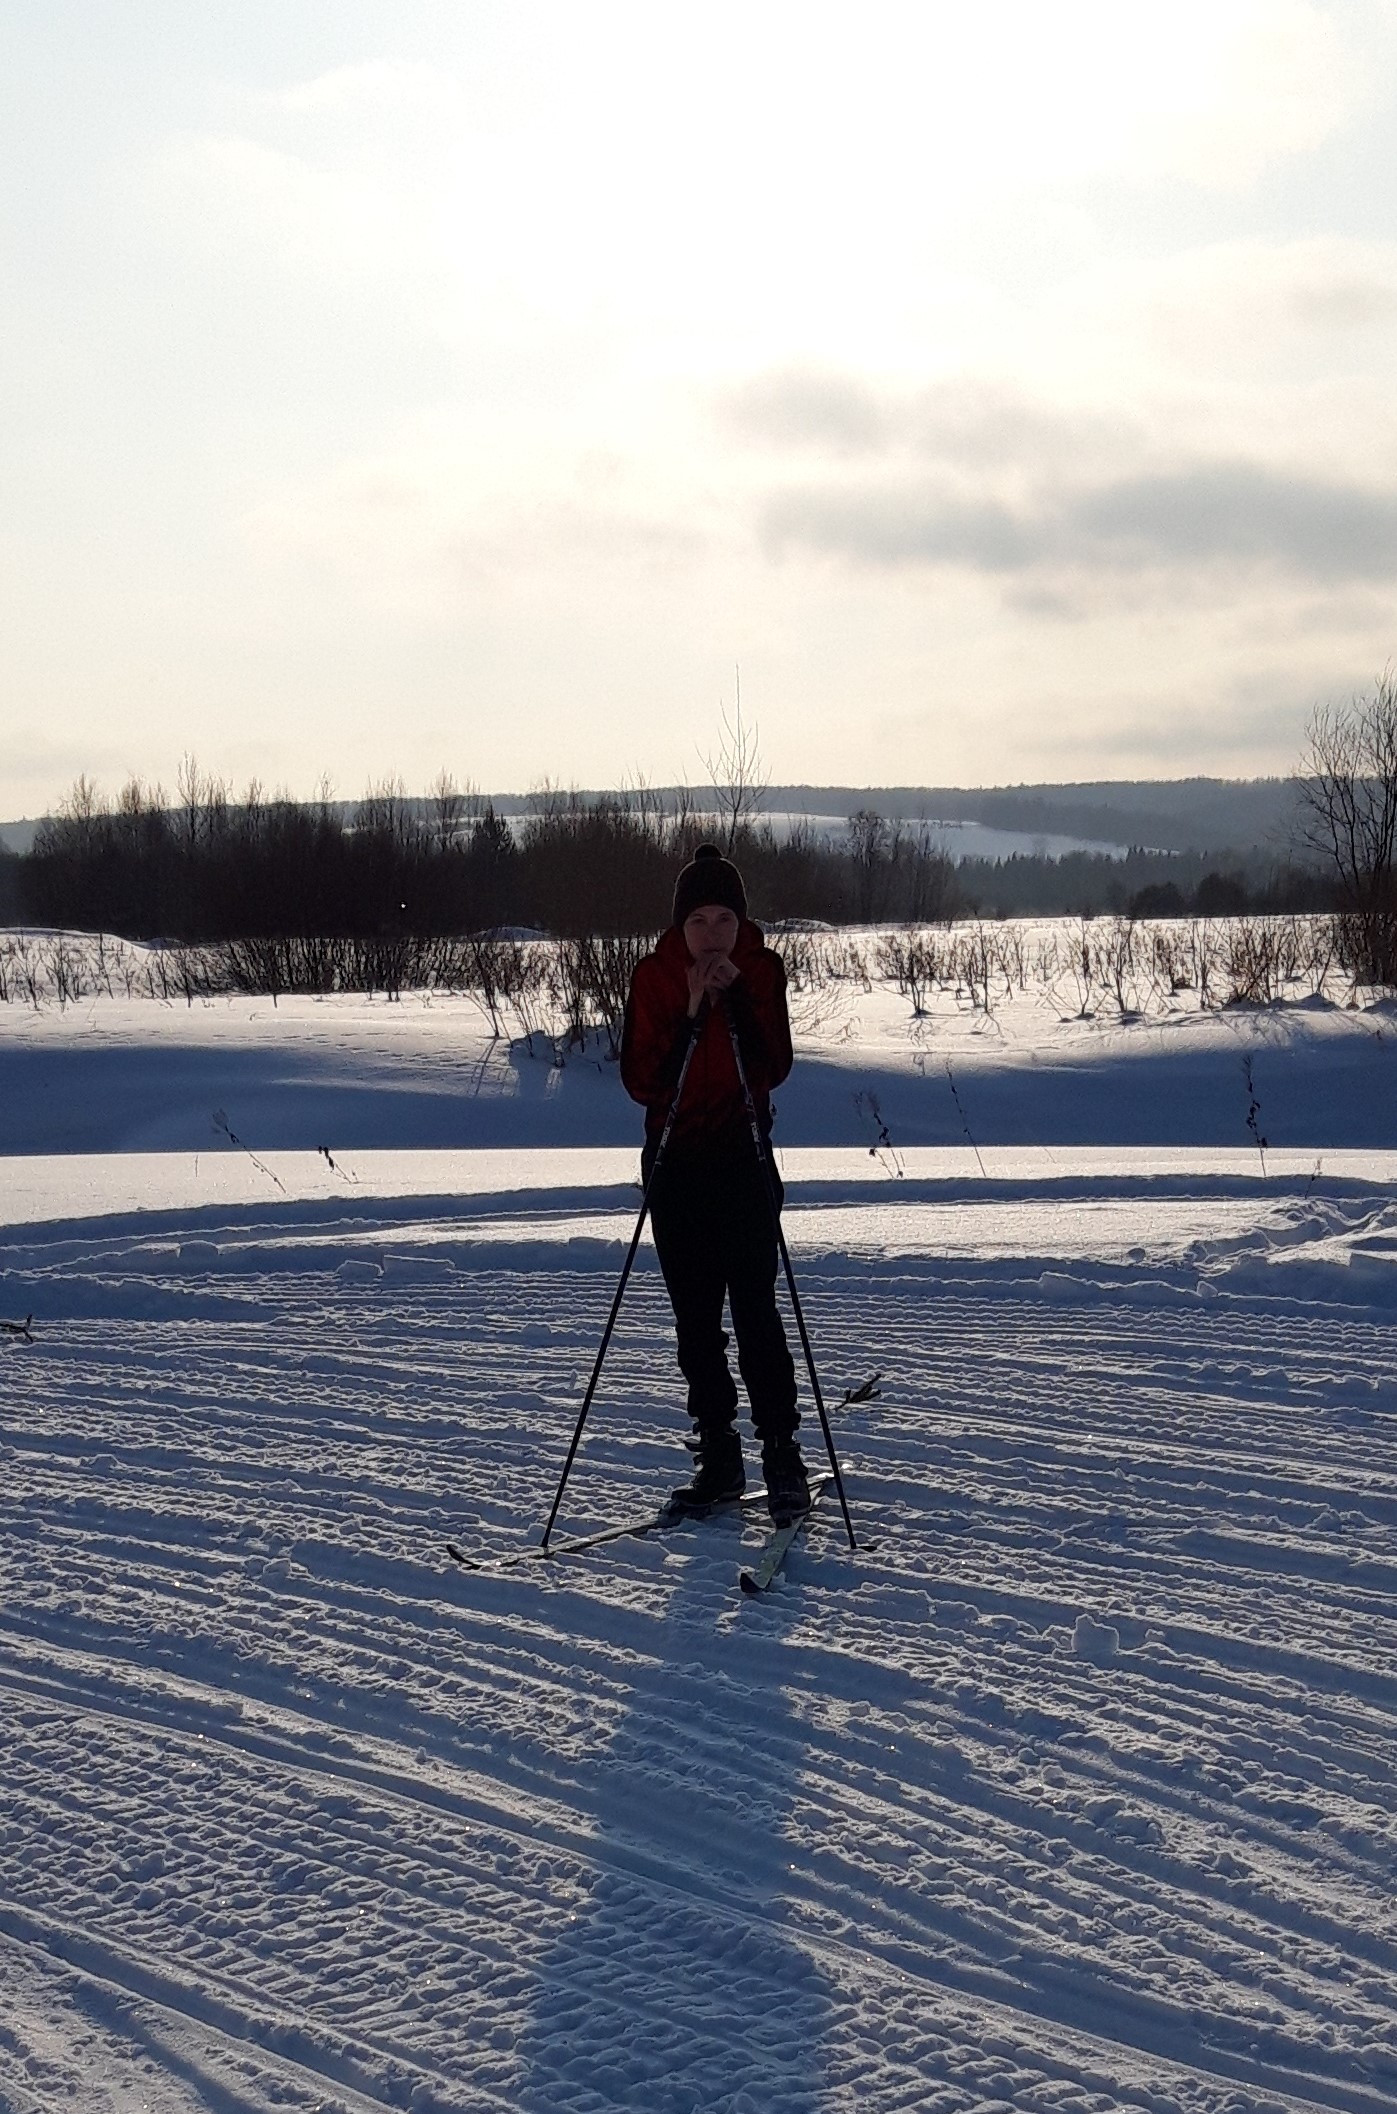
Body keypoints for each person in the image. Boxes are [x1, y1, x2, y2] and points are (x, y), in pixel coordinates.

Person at [620, 843, 811, 1524]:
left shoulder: (759, 970)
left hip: (742, 1158)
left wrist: (734, 1004)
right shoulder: (654, 976)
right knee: (695, 1319)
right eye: (697, 921)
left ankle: (782, 1457)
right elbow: (643, 1080)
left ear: (740, 923)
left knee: (756, 1310)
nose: (710, 935)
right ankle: (717, 1456)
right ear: (679, 925)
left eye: (723, 920)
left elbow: (773, 1066)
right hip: (675, 1164)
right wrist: (692, 1009)